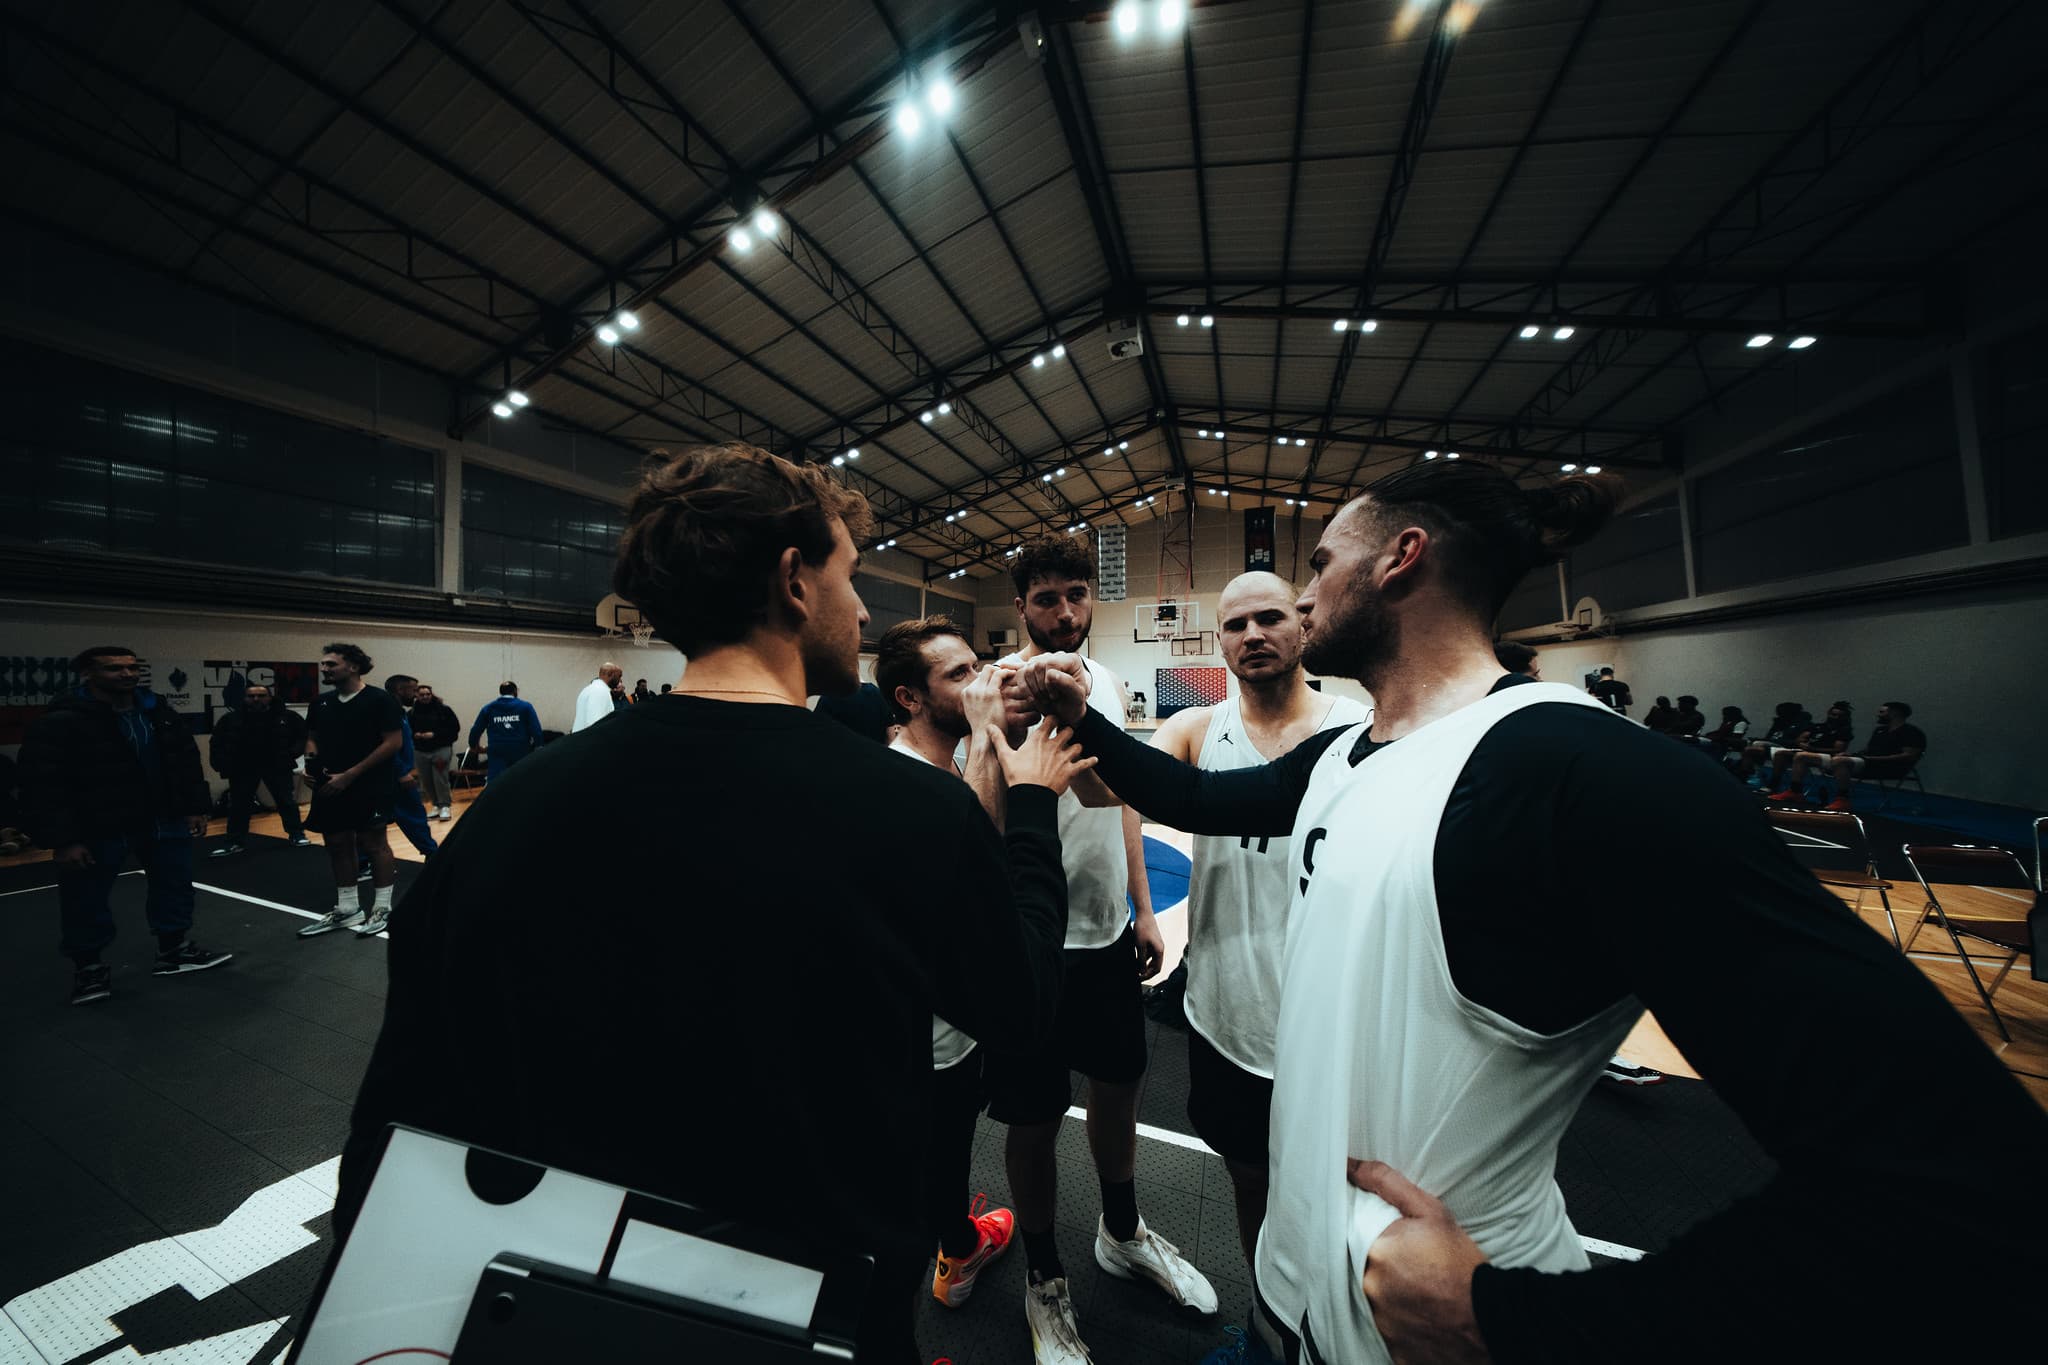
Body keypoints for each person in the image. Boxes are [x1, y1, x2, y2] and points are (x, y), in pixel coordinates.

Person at [1014, 459, 2048, 1364]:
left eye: (1321, 563)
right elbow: (1191, 798)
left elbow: (1957, 1180)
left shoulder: (1586, 768)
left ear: (1400, 559)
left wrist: (1533, 1324)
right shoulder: (1344, 753)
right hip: (1309, 1306)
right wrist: (1072, 712)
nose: (1305, 590)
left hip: (1453, 1325)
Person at [332, 442, 1088, 1365]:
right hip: (811, 1295)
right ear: (794, 582)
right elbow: (1018, 1010)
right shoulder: (910, 811)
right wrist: (1036, 804)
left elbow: (401, 1094)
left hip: (566, 1298)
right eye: (851, 579)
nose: (861, 609)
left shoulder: (516, 804)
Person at [992, 533, 1215, 1365]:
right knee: (1033, 1115)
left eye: (1076, 594)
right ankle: (1043, 1278)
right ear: (1021, 606)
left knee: (1119, 1086)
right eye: (1046, 598)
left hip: (1107, 933)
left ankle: (1120, 1233)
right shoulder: (997, 690)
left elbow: (1119, 799)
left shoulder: (1112, 681)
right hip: (1030, 947)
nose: (1065, 613)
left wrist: (1146, 907)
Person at [1143, 573, 1366, 1365]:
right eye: (1235, 624)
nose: (1253, 634)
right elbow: (1114, 787)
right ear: (1221, 643)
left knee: (1349, 1205)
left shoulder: (1359, 728)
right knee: (1251, 1185)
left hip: (1335, 1025)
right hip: (1227, 1014)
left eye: (1270, 617)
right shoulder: (1198, 728)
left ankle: (1337, 1342)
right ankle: (1270, 1332)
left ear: (1302, 628)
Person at [874, 616, 1019, 1310]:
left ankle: (948, 1238)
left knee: (932, 1152)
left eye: (977, 664)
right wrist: (992, 742)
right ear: (908, 697)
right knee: (938, 1155)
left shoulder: (939, 763)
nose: (981, 680)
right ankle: (956, 1254)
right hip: (929, 1033)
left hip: (937, 1014)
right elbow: (988, 865)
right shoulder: (912, 783)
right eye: (958, 674)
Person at [17, 645, 231, 1005]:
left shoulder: (157, 710)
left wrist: (195, 807)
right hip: (99, 825)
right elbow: (43, 781)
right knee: (85, 899)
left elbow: (184, 759)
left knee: (174, 886)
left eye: (132, 668)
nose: (127, 675)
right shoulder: (64, 719)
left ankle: (173, 951)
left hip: (162, 819)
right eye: (115, 669)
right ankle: (89, 969)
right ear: (88, 674)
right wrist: (65, 839)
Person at [297, 644, 404, 939]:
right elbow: (312, 738)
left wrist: (351, 775)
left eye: (331, 664)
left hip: (368, 784)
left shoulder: (380, 701)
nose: (325, 669)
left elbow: (393, 743)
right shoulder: (320, 703)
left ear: (353, 666)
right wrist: (309, 764)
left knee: (374, 844)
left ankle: (382, 908)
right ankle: (347, 909)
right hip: (330, 785)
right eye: (323, 664)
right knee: (337, 843)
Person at [207, 681, 311, 855]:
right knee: (239, 805)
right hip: (243, 767)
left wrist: (290, 754)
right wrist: (220, 763)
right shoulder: (231, 719)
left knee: (286, 801)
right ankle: (234, 841)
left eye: (261, 696)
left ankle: (296, 834)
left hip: (276, 764)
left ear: (270, 698)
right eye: (251, 696)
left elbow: (302, 737)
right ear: (245, 698)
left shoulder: (287, 717)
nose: (256, 699)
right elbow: (217, 741)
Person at [1771, 701, 1927, 813]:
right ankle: (1795, 792)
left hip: (1886, 767)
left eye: (1882, 712)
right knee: (1802, 756)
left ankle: (1842, 799)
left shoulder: (1911, 732)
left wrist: (1870, 759)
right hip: (1865, 762)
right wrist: (1854, 755)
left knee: (1840, 761)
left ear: (1894, 713)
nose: (1879, 714)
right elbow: (1868, 750)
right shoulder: (1880, 731)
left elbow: (1908, 756)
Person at [381, 675, 438, 859]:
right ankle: (433, 854)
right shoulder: (389, 711)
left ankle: (365, 861)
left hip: (398, 772)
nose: (416, 695)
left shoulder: (400, 712)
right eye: (413, 690)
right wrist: (401, 772)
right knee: (413, 816)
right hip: (394, 776)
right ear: (400, 690)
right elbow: (386, 745)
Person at [1759, 701, 1853, 798]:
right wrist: (1802, 742)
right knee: (1780, 754)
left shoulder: (1843, 731)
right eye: (1833, 714)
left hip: (1826, 755)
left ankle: (1795, 790)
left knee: (1802, 756)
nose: (1835, 718)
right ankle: (1773, 785)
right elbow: (1801, 738)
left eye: (1839, 716)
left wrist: (1813, 748)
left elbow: (1838, 749)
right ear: (1828, 714)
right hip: (1808, 751)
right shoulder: (1818, 727)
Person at [468, 682, 543, 781]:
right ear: (515, 691)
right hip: (521, 750)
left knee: (496, 783)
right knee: (521, 781)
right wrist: (539, 746)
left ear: (500, 692)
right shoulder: (526, 707)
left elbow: (476, 729)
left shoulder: (489, 708)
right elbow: (536, 729)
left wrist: (474, 745)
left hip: (497, 750)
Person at [406, 681, 459, 820]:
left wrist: (434, 734)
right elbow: (406, 732)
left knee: (440, 777)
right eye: (422, 694)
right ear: (417, 696)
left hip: (441, 749)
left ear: (432, 695)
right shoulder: (411, 713)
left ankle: (445, 805)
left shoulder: (444, 710)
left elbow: (454, 729)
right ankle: (436, 804)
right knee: (426, 780)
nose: (425, 697)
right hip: (420, 750)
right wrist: (415, 735)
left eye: (428, 694)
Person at [1733, 702, 1812, 782]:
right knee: (1751, 746)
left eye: (1781, 711)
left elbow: (1795, 742)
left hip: (1787, 747)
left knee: (1757, 744)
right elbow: (1769, 737)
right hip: (1770, 745)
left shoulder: (1803, 724)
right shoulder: (1779, 722)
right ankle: (1750, 772)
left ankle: (1754, 773)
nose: (1778, 714)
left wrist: (1768, 741)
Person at [573, 662, 624, 731]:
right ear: (610, 674)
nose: (619, 680)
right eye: (619, 676)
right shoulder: (600, 692)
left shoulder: (589, 689)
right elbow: (595, 725)